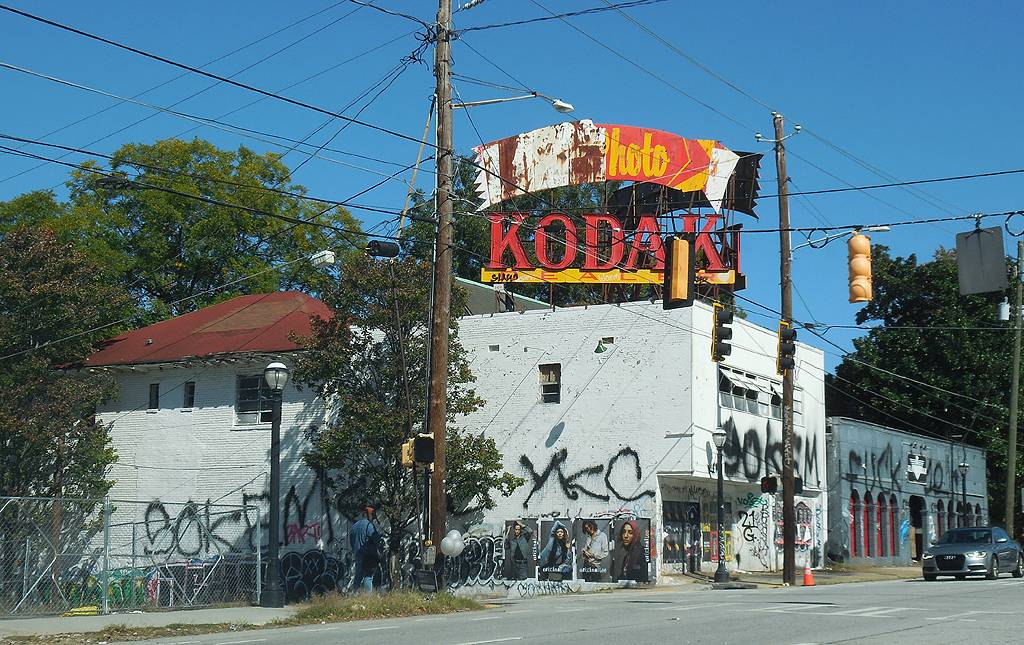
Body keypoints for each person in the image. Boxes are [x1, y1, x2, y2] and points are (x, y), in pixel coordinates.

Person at [349, 507, 382, 593]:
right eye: (372, 517)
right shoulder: (369, 526)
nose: (372, 520)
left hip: (358, 555)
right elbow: (377, 540)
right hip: (368, 556)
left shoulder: (354, 526)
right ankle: (368, 599)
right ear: (369, 515)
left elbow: (351, 541)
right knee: (368, 577)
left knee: (358, 577)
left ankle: (354, 595)